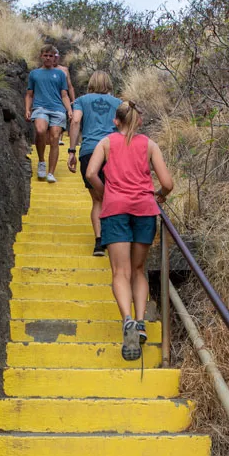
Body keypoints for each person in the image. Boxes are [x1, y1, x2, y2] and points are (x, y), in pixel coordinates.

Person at [85, 101, 174, 361]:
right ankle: (141, 320)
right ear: (140, 121)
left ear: (116, 121)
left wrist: (107, 193)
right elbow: (167, 183)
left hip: (115, 211)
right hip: (145, 210)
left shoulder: (106, 143)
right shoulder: (149, 145)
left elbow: (91, 172)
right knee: (137, 270)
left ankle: (127, 320)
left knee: (120, 272)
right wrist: (159, 195)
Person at [67, 71, 122, 256]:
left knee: (97, 199)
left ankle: (99, 242)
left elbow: (75, 122)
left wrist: (72, 150)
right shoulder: (118, 103)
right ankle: (115, 238)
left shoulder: (81, 101)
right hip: (113, 151)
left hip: (89, 151)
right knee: (114, 195)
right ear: (109, 83)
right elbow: (125, 128)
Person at [25, 44, 72, 183]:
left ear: (54, 58)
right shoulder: (34, 74)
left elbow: (64, 94)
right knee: (40, 131)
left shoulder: (60, 74)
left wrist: (69, 110)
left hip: (58, 109)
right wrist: (27, 109)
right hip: (40, 108)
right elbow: (29, 94)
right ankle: (41, 161)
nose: (48, 58)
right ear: (41, 56)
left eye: (51, 56)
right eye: (45, 55)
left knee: (55, 137)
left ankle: (51, 172)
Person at [54, 50, 75, 145]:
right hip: (51, 96)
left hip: (63, 96)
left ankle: (59, 138)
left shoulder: (64, 70)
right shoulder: (43, 70)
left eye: (56, 56)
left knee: (62, 116)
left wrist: (73, 100)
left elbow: (70, 86)